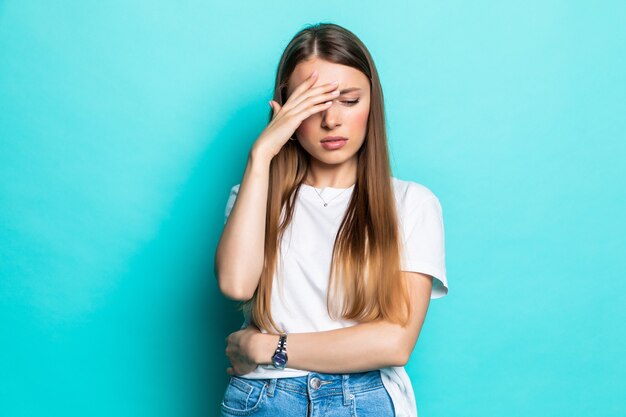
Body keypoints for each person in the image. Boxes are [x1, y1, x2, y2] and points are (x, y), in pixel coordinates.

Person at [215, 22, 448, 417]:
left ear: (372, 104)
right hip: (263, 399)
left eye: (349, 101)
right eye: (314, 103)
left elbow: (395, 343)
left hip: (366, 398)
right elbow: (236, 285)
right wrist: (261, 155)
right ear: (287, 107)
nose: (332, 120)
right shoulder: (253, 198)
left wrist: (266, 346)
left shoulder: (411, 203)